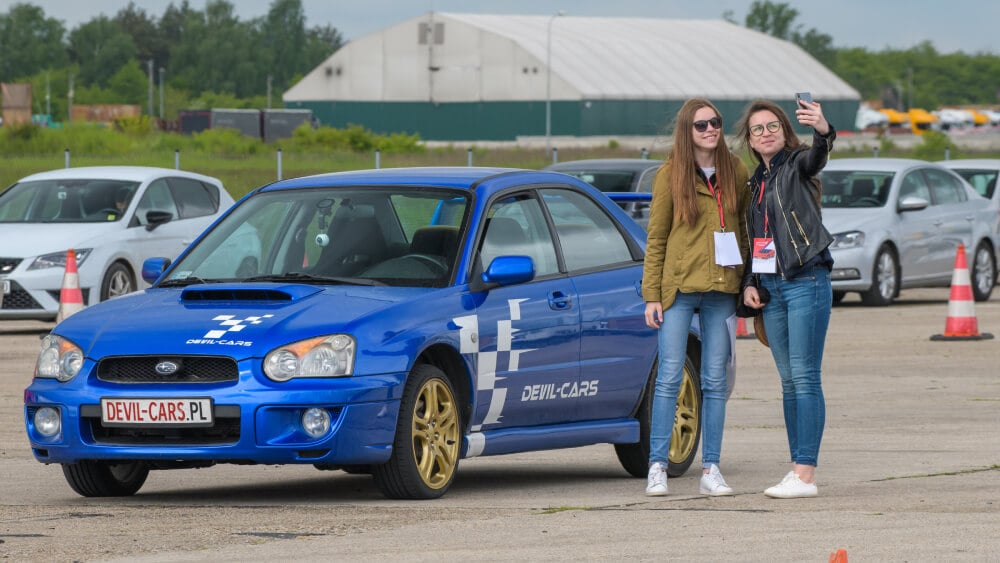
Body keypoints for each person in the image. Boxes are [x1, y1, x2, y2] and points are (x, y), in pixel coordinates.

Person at [642, 98, 750, 496]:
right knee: (669, 376)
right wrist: (652, 295)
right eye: (701, 124)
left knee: (715, 381)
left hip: (723, 289)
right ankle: (657, 465)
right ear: (687, 131)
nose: (710, 130)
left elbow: (742, 228)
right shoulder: (669, 174)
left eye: (716, 122)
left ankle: (711, 469)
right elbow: (656, 238)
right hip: (678, 290)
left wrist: (747, 281)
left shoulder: (735, 170)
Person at [735, 97, 836, 499]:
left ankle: (805, 473)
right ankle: (796, 469)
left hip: (805, 280)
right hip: (771, 288)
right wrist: (750, 282)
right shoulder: (754, 182)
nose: (766, 133)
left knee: (806, 376)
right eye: (758, 129)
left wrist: (824, 131)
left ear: (784, 129)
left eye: (773, 125)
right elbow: (755, 240)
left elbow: (819, 156)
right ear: (750, 140)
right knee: (789, 381)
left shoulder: (797, 163)